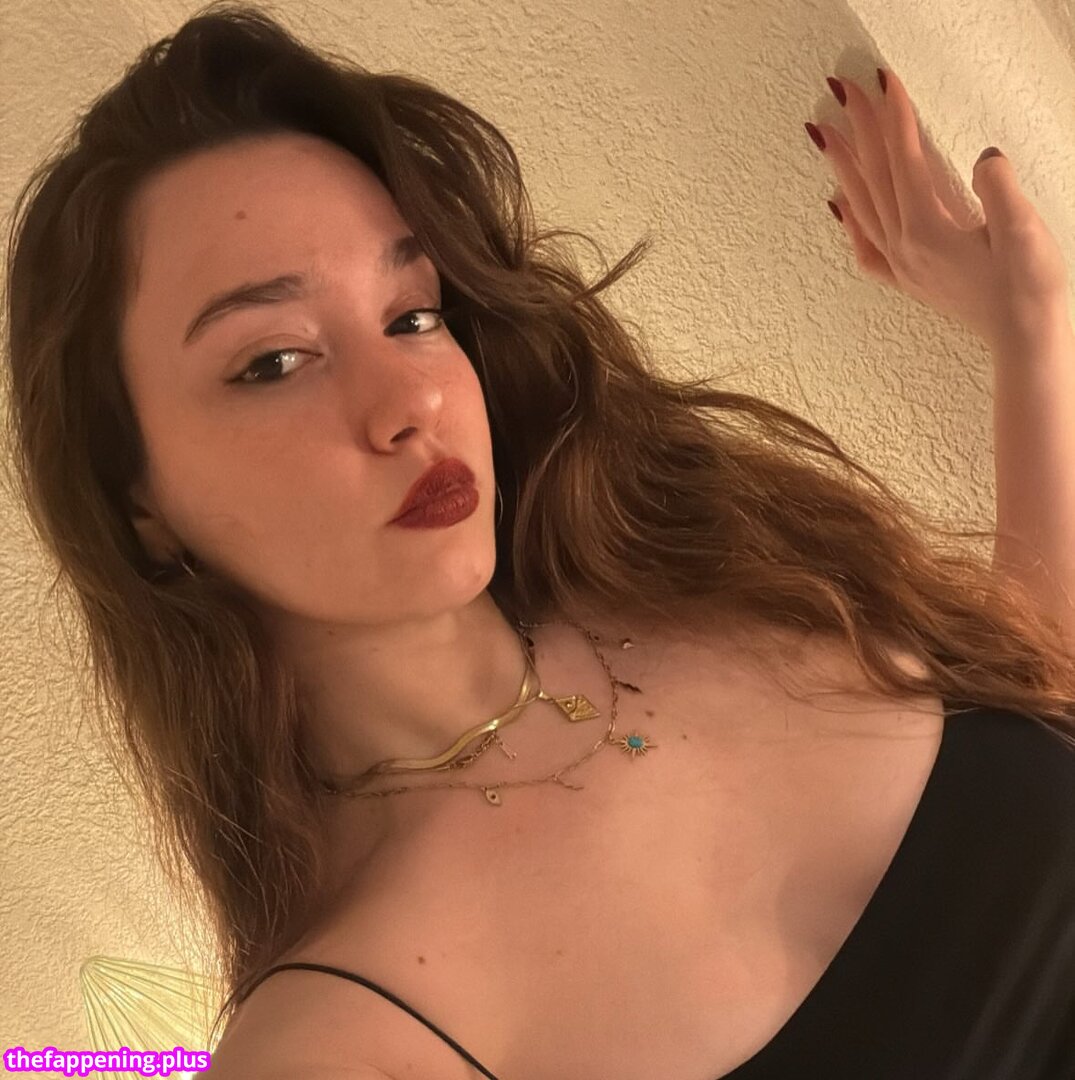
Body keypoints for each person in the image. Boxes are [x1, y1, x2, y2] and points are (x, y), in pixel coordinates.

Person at [4, 5, 1073, 1078]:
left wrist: (1029, 333)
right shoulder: (339, 1045)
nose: (410, 400)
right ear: (136, 501)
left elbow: (1031, 691)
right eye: (273, 361)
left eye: (412, 314)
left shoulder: (708, 563)